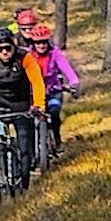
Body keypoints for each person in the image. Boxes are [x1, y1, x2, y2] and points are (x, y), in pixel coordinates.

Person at [0, 26, 44, 185]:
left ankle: (24, 179)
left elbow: (37, 82)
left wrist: (39, 104)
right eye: (0, 49)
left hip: (21, 102)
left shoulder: (25, 58)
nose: (4, 52)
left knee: (25, 144)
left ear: (14, 45)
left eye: (7, 48)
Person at [29, 23, 82, 151]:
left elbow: (66, 67)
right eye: (38, 42)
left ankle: (57, 139)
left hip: (53, 91)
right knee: (28, 119)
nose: (41, 45)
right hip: (33, 93)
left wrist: (74, 82)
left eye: (44, 42)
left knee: (54, 112)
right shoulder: (28, 55)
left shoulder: (55, 53)